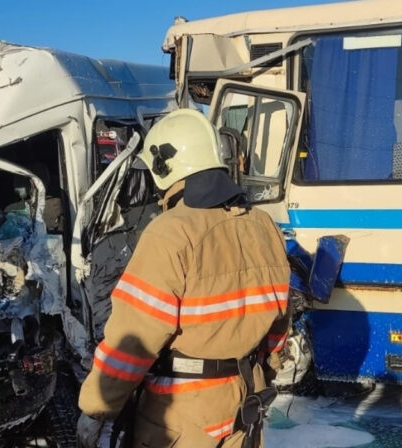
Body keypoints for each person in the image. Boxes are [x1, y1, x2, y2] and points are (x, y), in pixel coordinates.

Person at [76, 109, 291, 448]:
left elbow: (134, 339)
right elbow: (279, 322)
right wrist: (267, 366)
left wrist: (96, 408)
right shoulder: (264, 226)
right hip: (244, 404)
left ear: (165, 168)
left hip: (182, 415)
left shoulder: (171, 233)